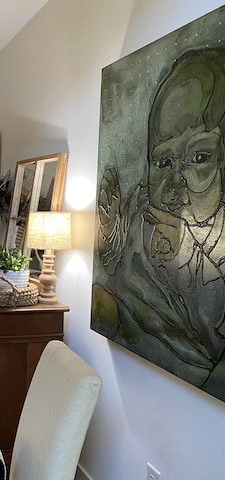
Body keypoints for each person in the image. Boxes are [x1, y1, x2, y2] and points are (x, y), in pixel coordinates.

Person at [93, 48, 225, 400]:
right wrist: (109, 242)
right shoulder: (142, 210)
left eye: (199, 157)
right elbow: (119, 275)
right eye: (163, 161)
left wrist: (188, 255)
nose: (177, 179)